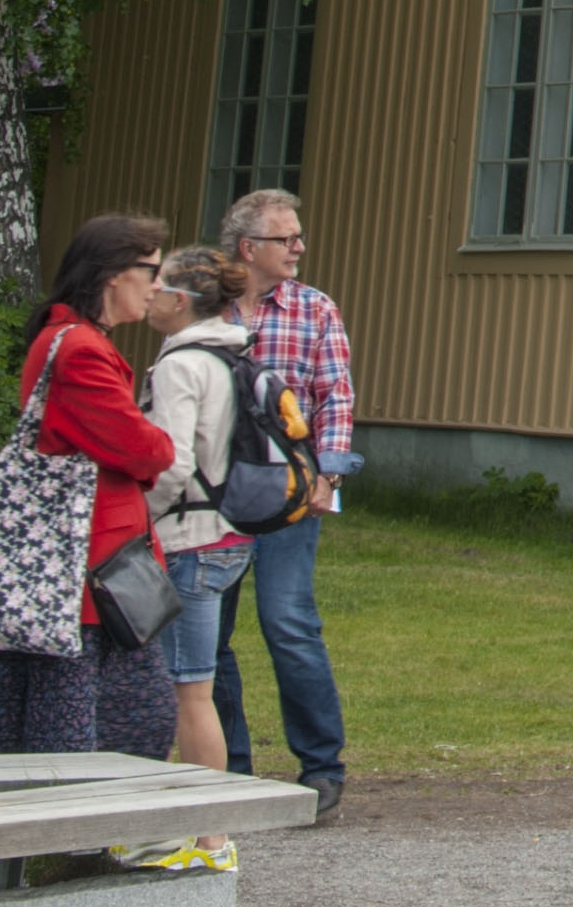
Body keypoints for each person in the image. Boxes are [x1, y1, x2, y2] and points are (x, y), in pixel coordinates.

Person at [0, 214, 181, 763]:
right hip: (87, 576)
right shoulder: (80, 349)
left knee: (40, 715)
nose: (159, 285)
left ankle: (38, 837)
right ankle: (66, 842)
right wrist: (155, 445)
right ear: (112, 274)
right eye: (151, 270)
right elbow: (142, 448)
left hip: (77, 573)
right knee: (106, 721)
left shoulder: (69, 339)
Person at [211, 189, 351, 821]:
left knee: (288, 624)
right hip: (213, 498)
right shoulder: (204, 308)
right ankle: (232, 767)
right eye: (285, 239)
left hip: (292, 496)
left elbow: (335, 398)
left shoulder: (315, 309)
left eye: (297, 237)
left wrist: (330, 478)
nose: (299, 248)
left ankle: (321, 766)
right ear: (248, 248)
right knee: (209, 636)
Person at [131, 247, 262, 874]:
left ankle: (208, 838)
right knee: (193, 686)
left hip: (191, 539)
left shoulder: (182, 365)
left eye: (156, 285)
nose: (147, 295)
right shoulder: (229, 351)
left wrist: (138, 515)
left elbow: (173, 461)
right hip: (231, 535)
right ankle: (195, 830)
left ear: (179, 299)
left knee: (189, 693)